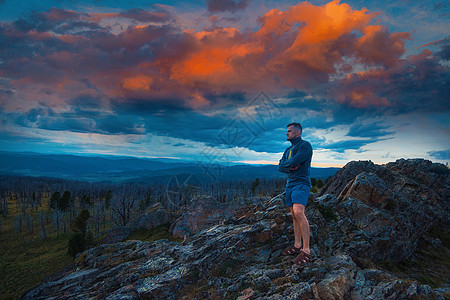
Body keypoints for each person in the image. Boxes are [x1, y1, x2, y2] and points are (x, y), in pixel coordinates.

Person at [278, 122, 313, 265]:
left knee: (299, 212)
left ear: (298, 133)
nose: (287, 133)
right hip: (290, 184)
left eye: (290, 131)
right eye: (287, 131)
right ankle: (297, 245)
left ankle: (306, 250)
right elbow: (281, 166)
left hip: (301, 183)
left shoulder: (305, 146)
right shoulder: (288, 150)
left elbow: (296, 160)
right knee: (293, 214)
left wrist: (289, 164)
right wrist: (290, 167)